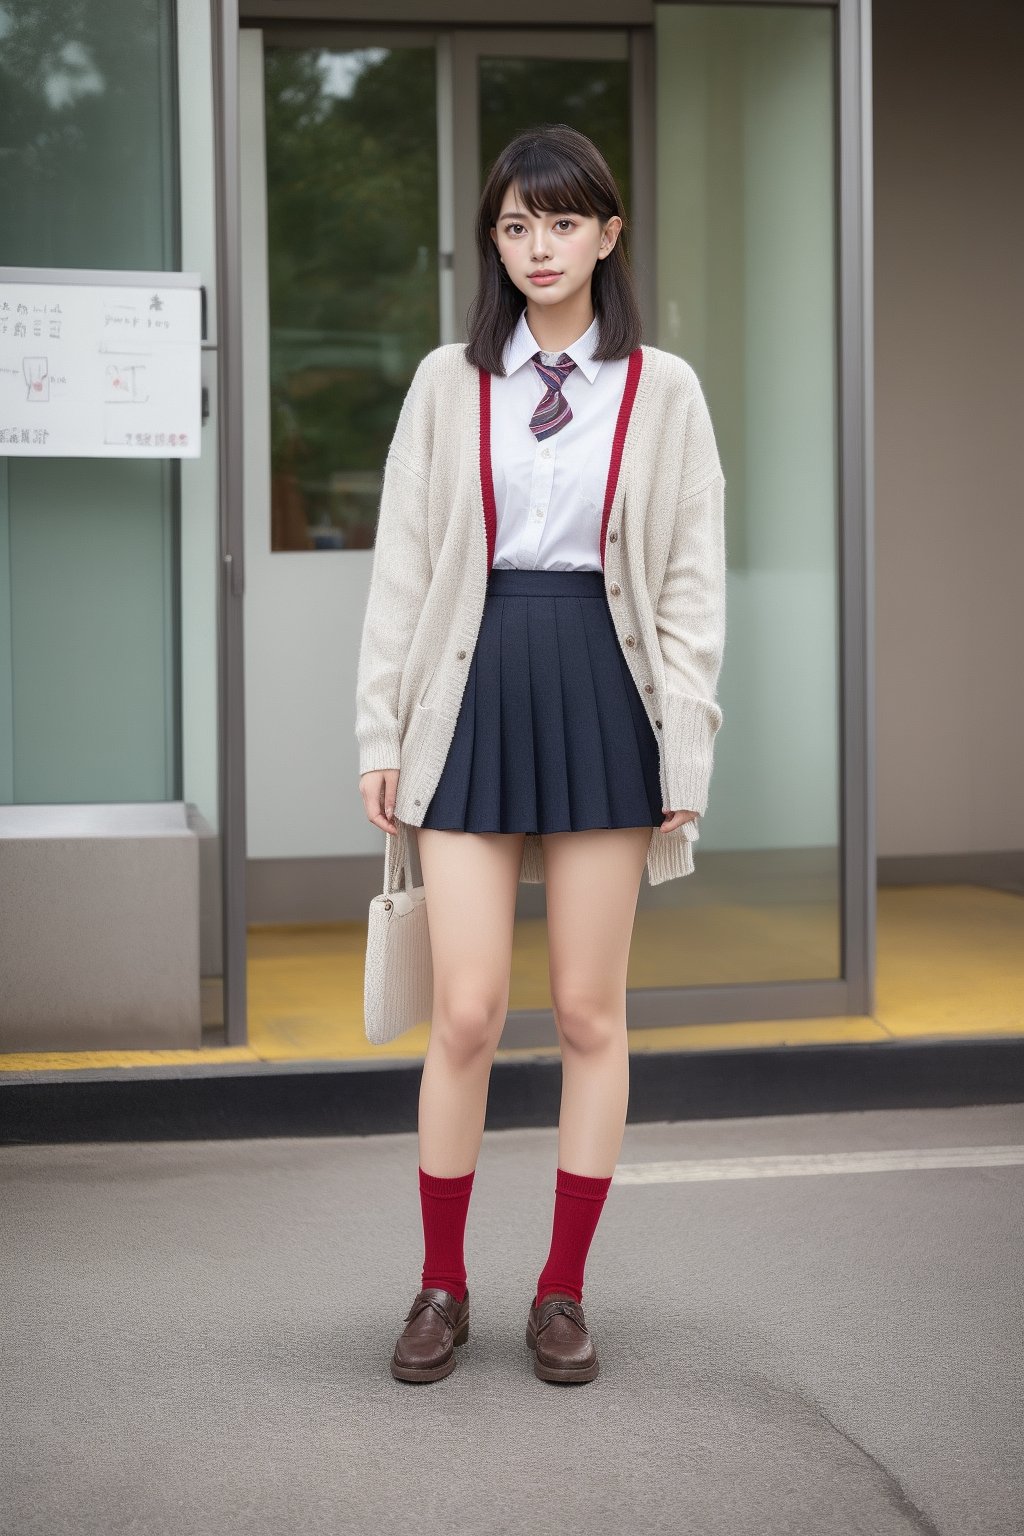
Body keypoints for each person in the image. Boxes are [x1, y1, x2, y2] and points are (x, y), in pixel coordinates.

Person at [355, 123, 726, 1386]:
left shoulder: (660, 389)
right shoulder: (444, 384)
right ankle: (441, 1286)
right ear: (493, 242)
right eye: (515, 227)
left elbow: (687, 588)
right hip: (468, 692)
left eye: (561, 223)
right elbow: (401, 571)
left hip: (603, 694)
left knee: (584, 1010)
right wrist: (379, 734)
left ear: (607, 234)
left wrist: (686, 746)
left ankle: (561, 1290)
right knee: (461, 1012)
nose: (538, 248)